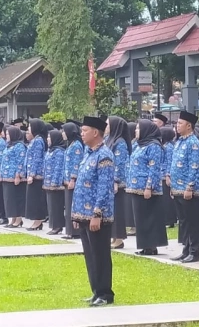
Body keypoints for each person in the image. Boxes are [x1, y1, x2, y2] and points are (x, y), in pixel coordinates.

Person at [72, 115, 117, 307]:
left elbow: (104, 187)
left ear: (96, 132)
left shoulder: (104, 155)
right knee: (90, 255)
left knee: (100, 254)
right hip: (83, 213)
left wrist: (97, 213)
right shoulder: (88, 153)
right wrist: (76, 213)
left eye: (85, 131)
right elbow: (82, 185)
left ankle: (105, 293)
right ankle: (95, 291)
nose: (81, 134)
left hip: (97, 215)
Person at [127, 119, 168, 255]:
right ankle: (144, 245)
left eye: (138, 128)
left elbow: (154, 167)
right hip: (135, 187)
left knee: (149, 218)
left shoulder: (154, 146)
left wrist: (149, 186)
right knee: (140, 218)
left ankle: (151, 246)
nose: (136, 131)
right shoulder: (138, 145)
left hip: (147, 188)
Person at [170, 110, 199, 263]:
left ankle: (194, 252)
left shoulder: (193, 143)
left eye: (180, 123)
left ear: (189, 125)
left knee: (192, 221)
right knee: (183, 221)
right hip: (177, 188)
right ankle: (185, 249)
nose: (177, 126)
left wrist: (190, 187)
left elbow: (195, 166)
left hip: (188, 190)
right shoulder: (179, 141)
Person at [107, 116, 133, 249]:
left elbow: (120, 163)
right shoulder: (111, 140)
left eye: (107, 124)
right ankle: (114, 237)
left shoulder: (120, 142)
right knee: (112, 211)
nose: (105, 127)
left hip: (117, 182)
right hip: (110, 180)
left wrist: (116, 180)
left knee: (118, 210)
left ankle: (119, 238)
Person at [25, 119, 50, 231]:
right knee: (32, 199)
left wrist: (32, 174)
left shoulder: (38, 140)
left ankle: (38, 221)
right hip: (32, 173)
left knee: (36, 199)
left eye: (30, 126)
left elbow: (37, 158)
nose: (28, 129)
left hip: (37, 175)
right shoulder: (34, 140)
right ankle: (36, 221)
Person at [1, 126, 28, 227]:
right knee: (9, 199)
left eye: (8, 134)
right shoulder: (8, 145)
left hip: (14, 177)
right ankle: (12, 219)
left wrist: (18, 175)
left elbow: (20, 161)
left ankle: (18, 219)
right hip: (6, 176)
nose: (6, 136)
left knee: (16, 198)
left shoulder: (19, 146)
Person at [63, 121, 85, 240]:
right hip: (67, 180)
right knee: (68, 205)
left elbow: (76, 163)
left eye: (64, 131)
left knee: (72, 205)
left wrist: (73, 178)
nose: (62, 133)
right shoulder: (70, 144)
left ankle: (74, 232)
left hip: (73, 181)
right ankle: (69, 231)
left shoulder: (76, 145)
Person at [43, 129, 68, 235]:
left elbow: (58, 167)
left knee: (56, 205)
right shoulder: (50, 150)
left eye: (49, 137)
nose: (48, 139)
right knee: (51, 205)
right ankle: (53, 225)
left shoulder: (59, 151)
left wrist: (54, 182)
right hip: (48, 182)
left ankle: (58, 226)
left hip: (55, 184)